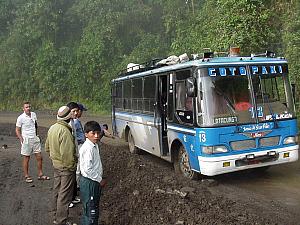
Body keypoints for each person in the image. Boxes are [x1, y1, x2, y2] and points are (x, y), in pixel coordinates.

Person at [45, 106, 77, 225]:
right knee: (64, 196)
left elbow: (47, 147)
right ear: (68, 118)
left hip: (56, 166)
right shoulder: (65, 132)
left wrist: (54, 159)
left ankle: (54, 216)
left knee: (56, 191)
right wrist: (72, 167)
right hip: (66, 168)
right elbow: (67, 154)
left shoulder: (52, 128)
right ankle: (61, 221)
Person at [79, 121, 106, 225]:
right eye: (93, 133)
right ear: (86, 134)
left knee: (92, 208)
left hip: (93, 181)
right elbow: (87, 169)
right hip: (90, 182)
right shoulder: (88, 148)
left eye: (98, 133)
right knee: (91, 211)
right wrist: (100, 179)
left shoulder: (94, 145)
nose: (96, 136)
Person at [15, 101, 50, 183]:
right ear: (23, 108)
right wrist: (21, 138)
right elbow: (17, 130)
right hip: (26, 139)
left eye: (29, 107)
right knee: (27, 158)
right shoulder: (20, 118)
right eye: (26, 107)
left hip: (35, 138)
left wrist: (37, 134)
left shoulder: (33, 114)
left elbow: (35, 125)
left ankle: (40, 174)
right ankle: (27, 176)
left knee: (39, 157)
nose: (28, 108)